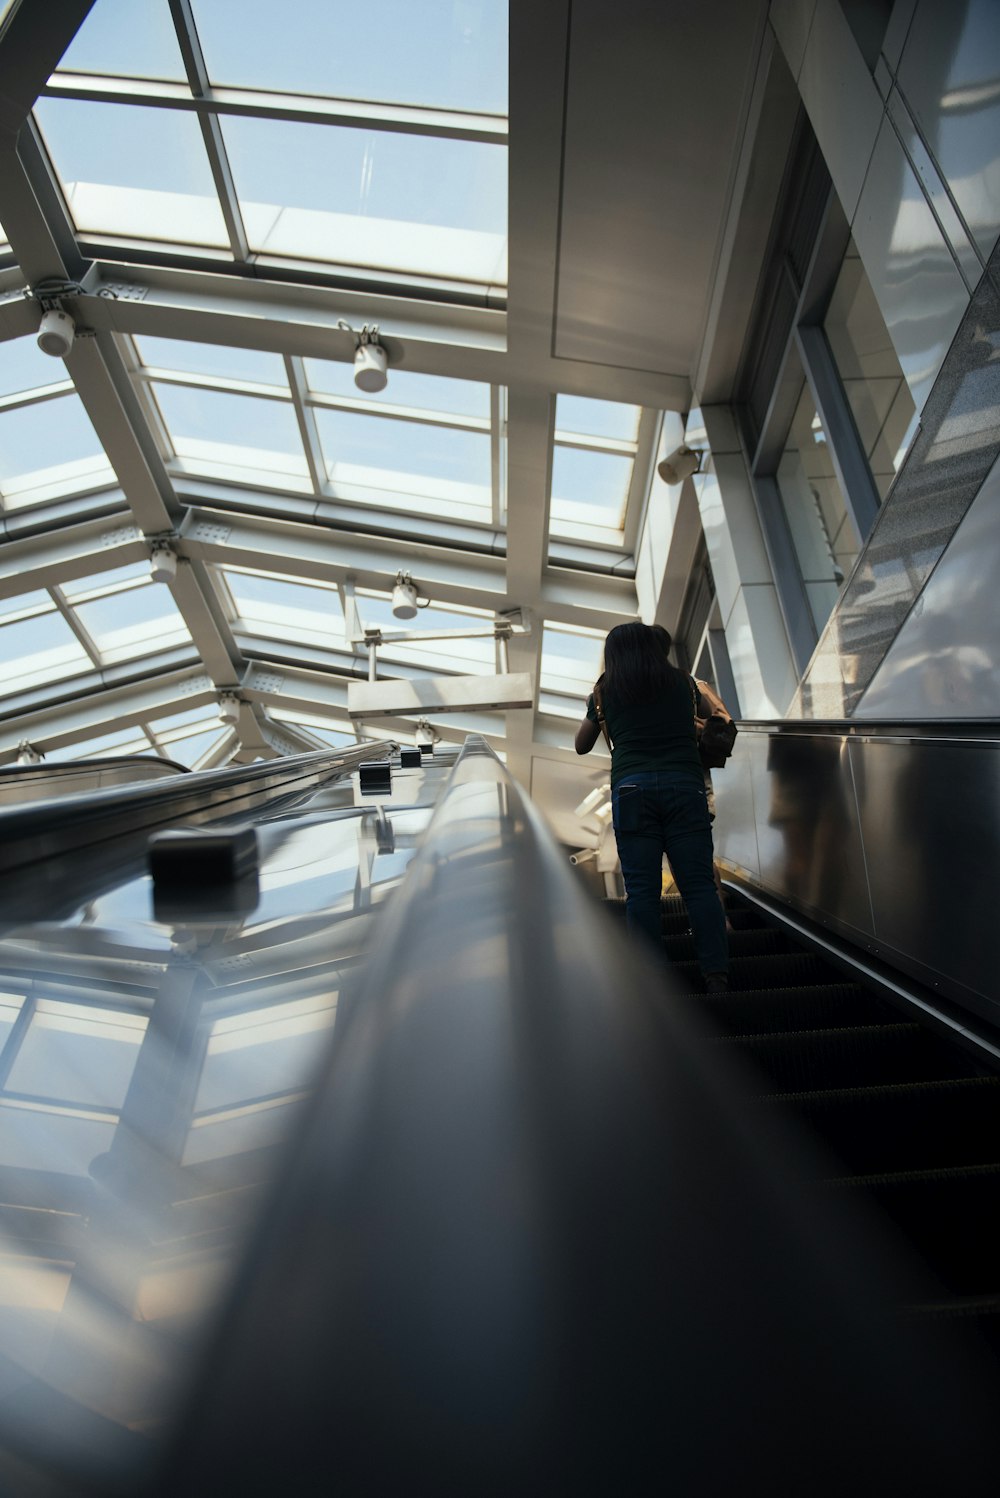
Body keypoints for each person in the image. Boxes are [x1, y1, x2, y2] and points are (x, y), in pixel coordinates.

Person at [576, 621, 729, 993]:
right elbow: (720, 719)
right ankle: (717, 976)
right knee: (698, 888)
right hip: (684, 786)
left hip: (632, 791)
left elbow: (581, 744)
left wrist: (596, 712)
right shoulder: (684, 684)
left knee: (642, 891)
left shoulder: (605, 691)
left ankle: (652, 983)